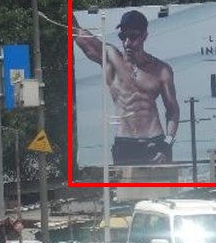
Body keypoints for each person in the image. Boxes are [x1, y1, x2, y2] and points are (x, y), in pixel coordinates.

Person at [73, 10, 180, 166]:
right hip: (125, 145)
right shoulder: (111, 60)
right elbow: (79, 35)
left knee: (162, 190)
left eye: (133, 37)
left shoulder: (161, 70)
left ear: (144, 36)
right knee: (126, 191)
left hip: (155, 143)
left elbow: (173, 111)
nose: (127, 43)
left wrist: (167, 144)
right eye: (123, 37)